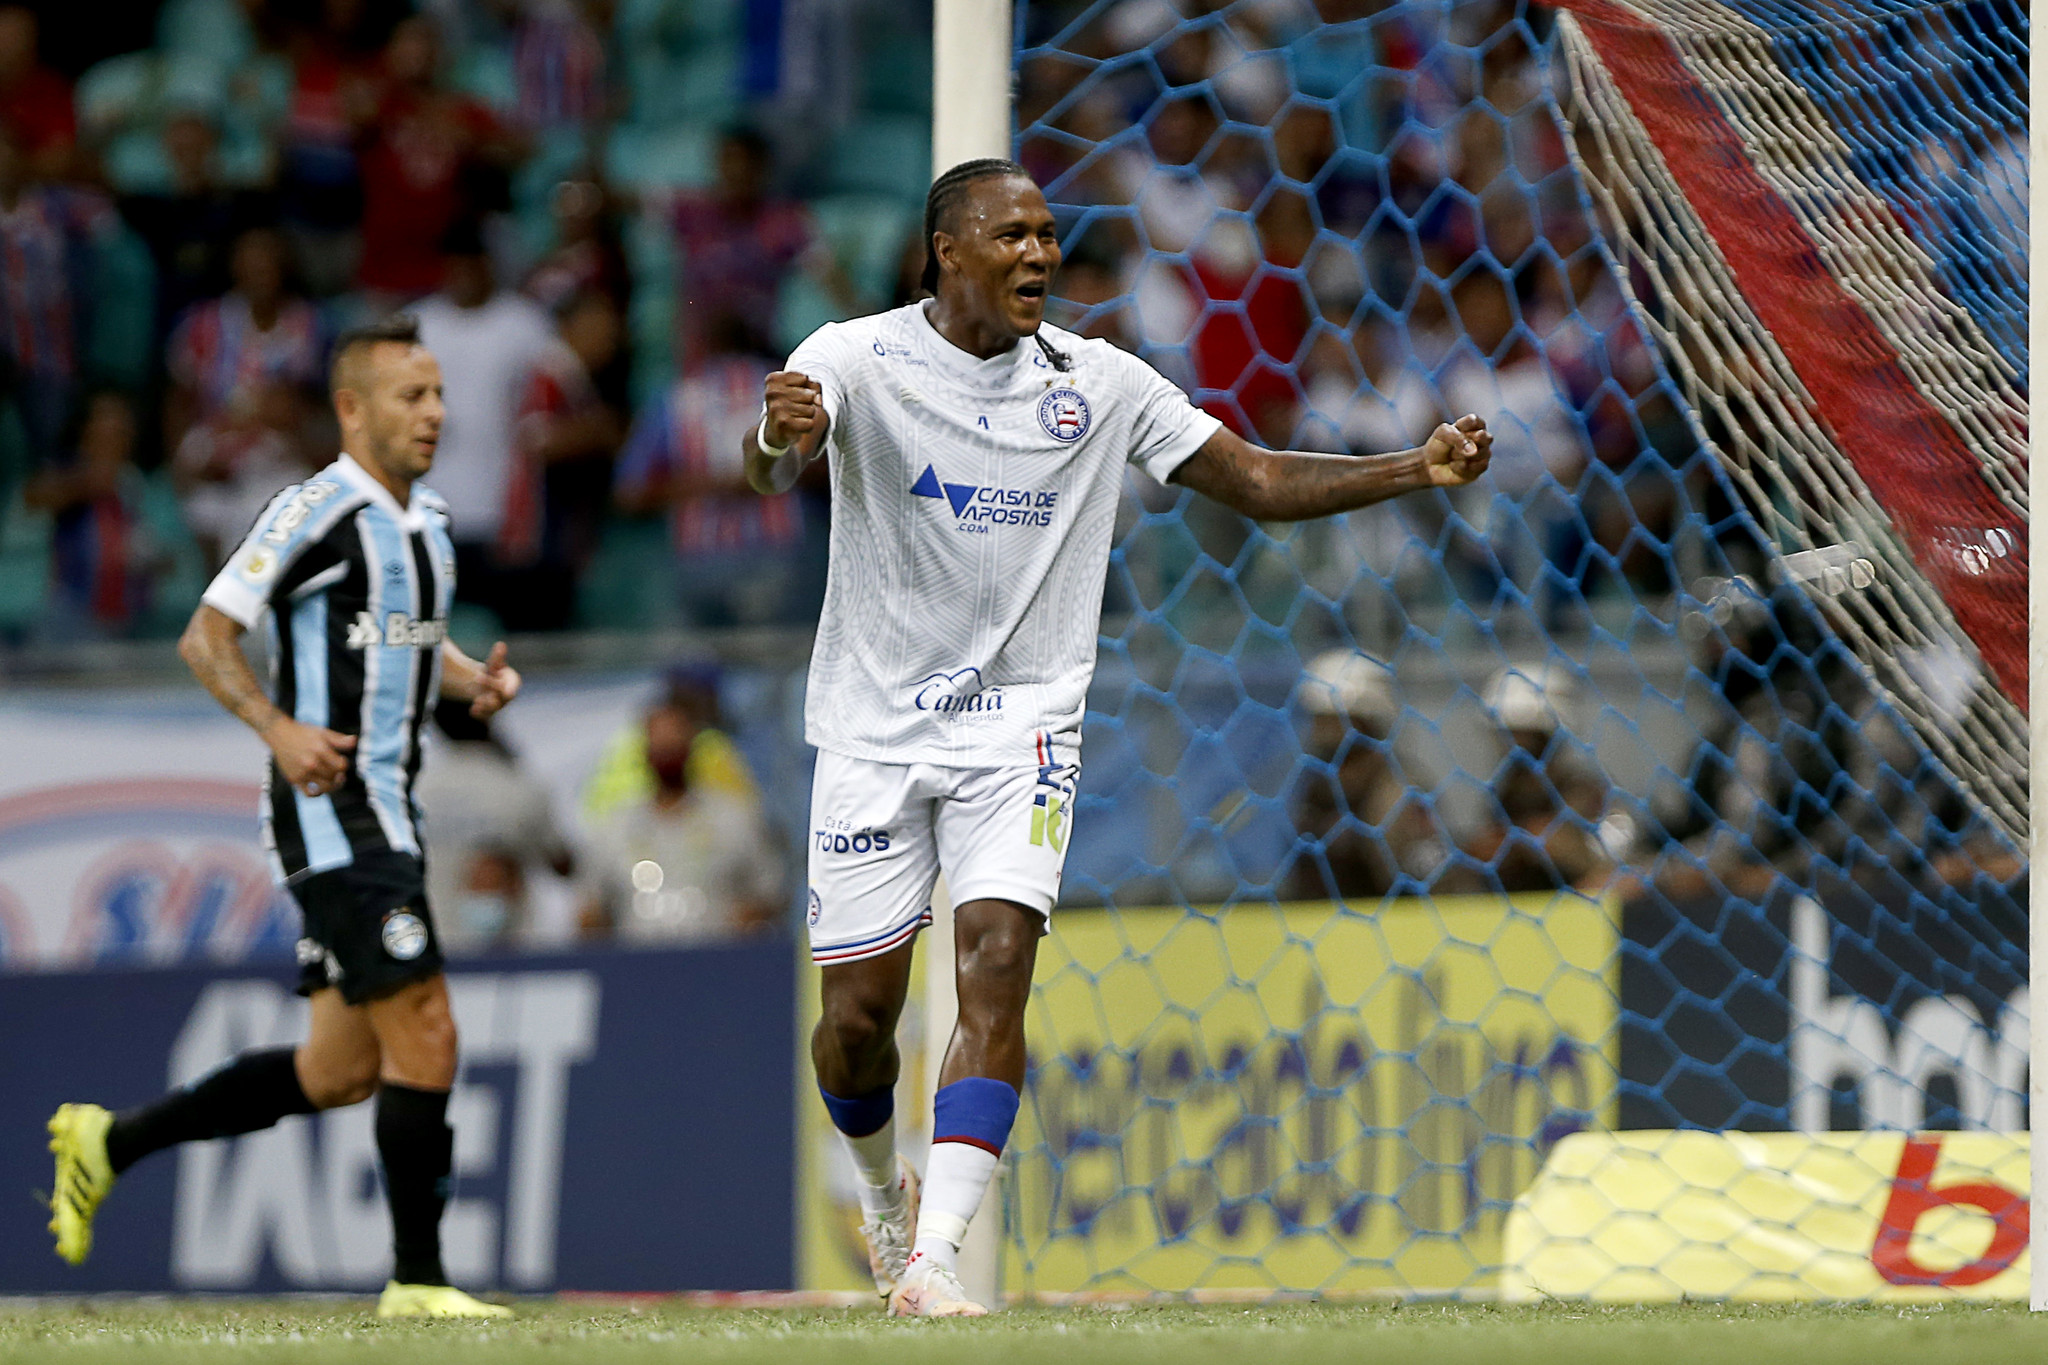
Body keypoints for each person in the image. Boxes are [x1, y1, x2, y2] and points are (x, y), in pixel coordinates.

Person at [745, 158, 1492, 1316]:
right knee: (853, 1026)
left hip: (1024, 726)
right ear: (947, 251)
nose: (1038, 254)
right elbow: (775, 454)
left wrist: (1414, 467)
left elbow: (1250, 477)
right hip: (871, 730)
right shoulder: (856, 353)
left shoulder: (1098, 383)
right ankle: (877, 1194)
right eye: (1011, 236)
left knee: (995, 964)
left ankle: (934, 1262)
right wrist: (768, 436)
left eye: (1047, 235)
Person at [45, 315, 518, 1320]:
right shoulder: (314, 510)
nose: (433, 413)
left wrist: (471, 679)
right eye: (409, 396)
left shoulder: (423, 525)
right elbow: (206, 635)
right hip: (333, 811)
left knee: (338, 1069)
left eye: (437, 395)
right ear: (351, 409)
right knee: (427, 1028)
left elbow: (402, 638)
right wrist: (275, 728)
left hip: (392, 811)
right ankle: (419, 1285)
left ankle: (107, 1143)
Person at [412, 222, 572, 629]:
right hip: (430, 506)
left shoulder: (523, 324)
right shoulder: (415, 327)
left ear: (488, 266)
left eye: (472, 264)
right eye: (455, 265)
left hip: (502, 510)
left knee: (516, 624)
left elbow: (563, 390)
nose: (463, 275)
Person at [577, 692, 784, 944]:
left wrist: (751, 918)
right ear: (644, 749)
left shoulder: (733, 818)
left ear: (692, 745)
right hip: (636, 969)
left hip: (716, 966)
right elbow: (591, 909)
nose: (667, 748)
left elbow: (770, 891)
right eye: (659, 741)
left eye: (675, 739)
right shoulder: (614, 827)